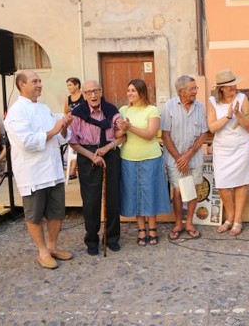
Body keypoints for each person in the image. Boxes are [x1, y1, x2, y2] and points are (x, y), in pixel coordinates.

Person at [4, 70, 73, 269]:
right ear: (21, 85)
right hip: (33, 173)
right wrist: (55, 128)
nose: (40, 84)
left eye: (40, 80)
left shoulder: (43, 108)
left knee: (57, 212)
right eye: (35, 81)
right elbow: (28, 142)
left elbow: (59, 138)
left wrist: (64, 126)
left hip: (53, 170)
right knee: (34, 215)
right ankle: (42, 251)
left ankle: (52, 246)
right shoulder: (16, 112)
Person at [69, 80, 125, 256]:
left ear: (101, 91)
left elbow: (122, 137)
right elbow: (73, 142)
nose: (93, 95)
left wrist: (107, 148)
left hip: (109, 152)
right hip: (87, 154)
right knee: (91, 200)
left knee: (112, 198)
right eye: (88, 92)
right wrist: (93, 156)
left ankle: (112, 237)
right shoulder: (78, 113)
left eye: (96, 91)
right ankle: (92, 240)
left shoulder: (111, 110)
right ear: (84, 95)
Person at [117, 79, 171, 246]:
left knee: (150, 193)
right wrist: (121, 130)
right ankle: (141, 229)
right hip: (128, 158)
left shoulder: (152, 110)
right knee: (135, 194)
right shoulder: (123, 110)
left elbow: (150, 134)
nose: (130, 93)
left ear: (141, 92)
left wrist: (129, 128)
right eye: (128, 90)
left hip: (150, 157)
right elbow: (118, 134)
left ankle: (153, 227)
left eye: (133, 90)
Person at [207, 69, 249, 236]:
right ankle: (230, 216)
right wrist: (228, 116)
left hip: (241, 146)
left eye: (234, 84)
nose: (233, 88)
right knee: (223, 185)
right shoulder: (213, 102)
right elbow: (212, 127)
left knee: (241, 183)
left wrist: (238, 113)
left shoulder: (242, 99)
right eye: (228, 86)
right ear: (220, 88)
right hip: (222, 148)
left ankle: (237, 220)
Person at [161, 76, 208, 240]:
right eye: (192, 89)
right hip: (175, 159)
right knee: (178, 192)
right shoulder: (169, 107)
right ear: (181, 91)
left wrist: (188, 156)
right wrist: (179, 158)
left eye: (196, 88)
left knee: (193, 190)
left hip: (193, 158)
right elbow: (165, 135)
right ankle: (178, 223)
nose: (196, 91)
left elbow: (203, 134)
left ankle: (189, 222)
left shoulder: (200, 107)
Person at [64, 77, 84, 180]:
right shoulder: (68, 99)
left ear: (77, 85)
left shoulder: (83, 96)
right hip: (72, 126)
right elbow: (66, 112)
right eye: (67, 85)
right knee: (72, 144)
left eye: (70, 85)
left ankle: (73, 168)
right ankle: (72, 168)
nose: (68, 87)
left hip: (83, 126)